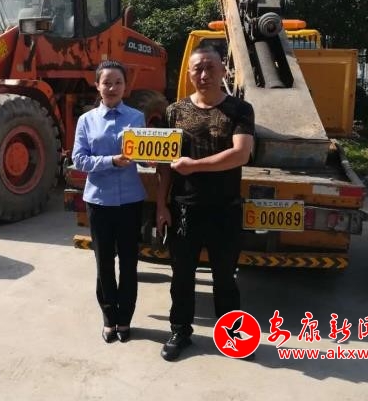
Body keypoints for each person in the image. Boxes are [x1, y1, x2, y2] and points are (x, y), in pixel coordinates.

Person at [156, 44, 255, 361]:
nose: (204, 74)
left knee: (225, 277)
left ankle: (231, 338)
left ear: (223, 70)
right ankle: (180, 331)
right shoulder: (175, 111)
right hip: (184, 207)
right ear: (189, 73)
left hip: (225, 208)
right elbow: (164, 165)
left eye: (210, 67)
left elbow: (240, 154)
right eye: (197, 68)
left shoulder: (240, 110)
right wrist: (161, 205)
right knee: (181, 276)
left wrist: (195, 166)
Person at [72, 60, 146, 343]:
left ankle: (125, 319)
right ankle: (108, 318)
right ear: (97, 86)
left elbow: (143, 154)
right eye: (107, 82)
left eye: (118, 82)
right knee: (103, 263)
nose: (112, 88)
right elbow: (79, 159)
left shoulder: (137, 117)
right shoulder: (86, 120)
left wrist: (152, 159)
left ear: (125, 86)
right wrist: (111, 161)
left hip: (130, 201)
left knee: (128, 263)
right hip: (99, 202)